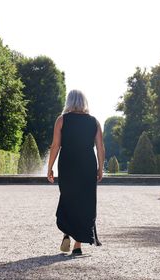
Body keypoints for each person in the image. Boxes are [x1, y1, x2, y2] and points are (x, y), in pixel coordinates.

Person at [47, 89, 105, 256]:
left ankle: (67, 231)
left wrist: (50, 166)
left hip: (68, 164)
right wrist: (100, 168)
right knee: (85, 201)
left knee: (67, 196)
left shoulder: (62, 120)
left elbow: (55, 145)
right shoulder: (94, 122)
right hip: (87, 164)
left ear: (69, 102)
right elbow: (100, 147)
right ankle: (77, 245)